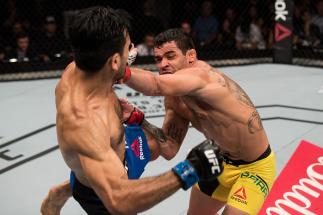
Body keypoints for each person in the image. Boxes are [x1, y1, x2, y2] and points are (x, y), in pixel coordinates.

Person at [44, 6, 222, 215]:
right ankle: (72, 187)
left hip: (117, 151)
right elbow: (119, 200)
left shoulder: (83, 65)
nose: (133, 51)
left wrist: (139, 118)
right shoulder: (85, 123)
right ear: (114, 61)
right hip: (102, 197)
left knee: (156, 145)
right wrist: (188, 171)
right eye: (128, 47)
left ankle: (69, 186)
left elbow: (168, 149)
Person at [121, 28, 276, 215]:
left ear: (191, 56)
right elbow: (169, 148)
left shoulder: (204, 77)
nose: (163, 64)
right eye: (158, 59)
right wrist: (140, 120)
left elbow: (155, 85)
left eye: (170, 56)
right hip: (217, 160)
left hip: (254, 168)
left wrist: (118, 69)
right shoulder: (175, 98)